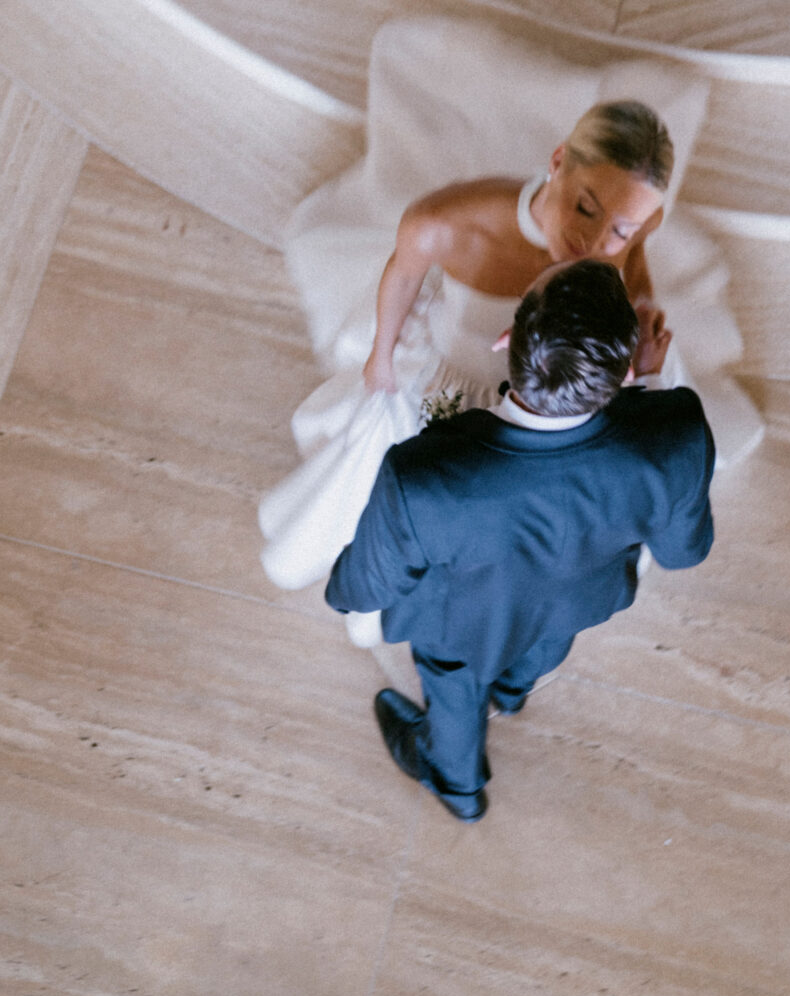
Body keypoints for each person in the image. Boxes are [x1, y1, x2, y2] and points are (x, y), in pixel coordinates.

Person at [259, 93, 753, 623]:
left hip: (558, 395)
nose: (593, 242)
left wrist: (642, 313)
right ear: (559, 161)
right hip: (451, 388)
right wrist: (381, 356)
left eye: (621, 230)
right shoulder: (447, 221)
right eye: (585, 206)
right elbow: (402, 276)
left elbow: (632, 268)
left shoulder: (622, 228)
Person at [325, 259, 716, 822]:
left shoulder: (426, 476)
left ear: (508, 339)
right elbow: (684, 551)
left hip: (460, 623)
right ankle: (511, 693)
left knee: (455, 688)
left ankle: (457, 783)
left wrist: (342, 592)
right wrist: (651, 387)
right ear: (627, 365)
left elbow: (372, 579)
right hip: (576, 599)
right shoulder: (674, 433)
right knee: (544, 641)